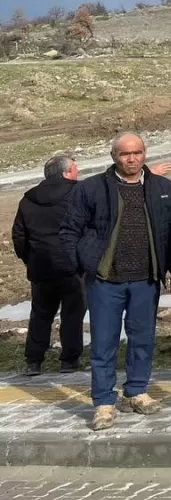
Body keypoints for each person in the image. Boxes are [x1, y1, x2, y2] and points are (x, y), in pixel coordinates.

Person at [59, 132, 171, 431]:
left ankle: (136, 391)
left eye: (137, 153)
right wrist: (83, 265)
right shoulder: (91, 189)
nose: (132, 159)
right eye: (125, 154)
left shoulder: (165, 189)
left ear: (145, 154)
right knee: (104, 343)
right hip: (105, 281)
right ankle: (103, 402)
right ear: (114, 156)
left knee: (143, 339)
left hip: (146, 280)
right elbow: (68, 232)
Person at [11, 153, 83, 376]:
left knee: (41, 314)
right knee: (73, 314)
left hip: (41, 267)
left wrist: (29, 258)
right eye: (75, 168)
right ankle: (69, 361)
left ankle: (33, 361)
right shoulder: (77, 194)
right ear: (66, 172)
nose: (77, 171)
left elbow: (19, 235)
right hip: (73, 267)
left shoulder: (28, 199)